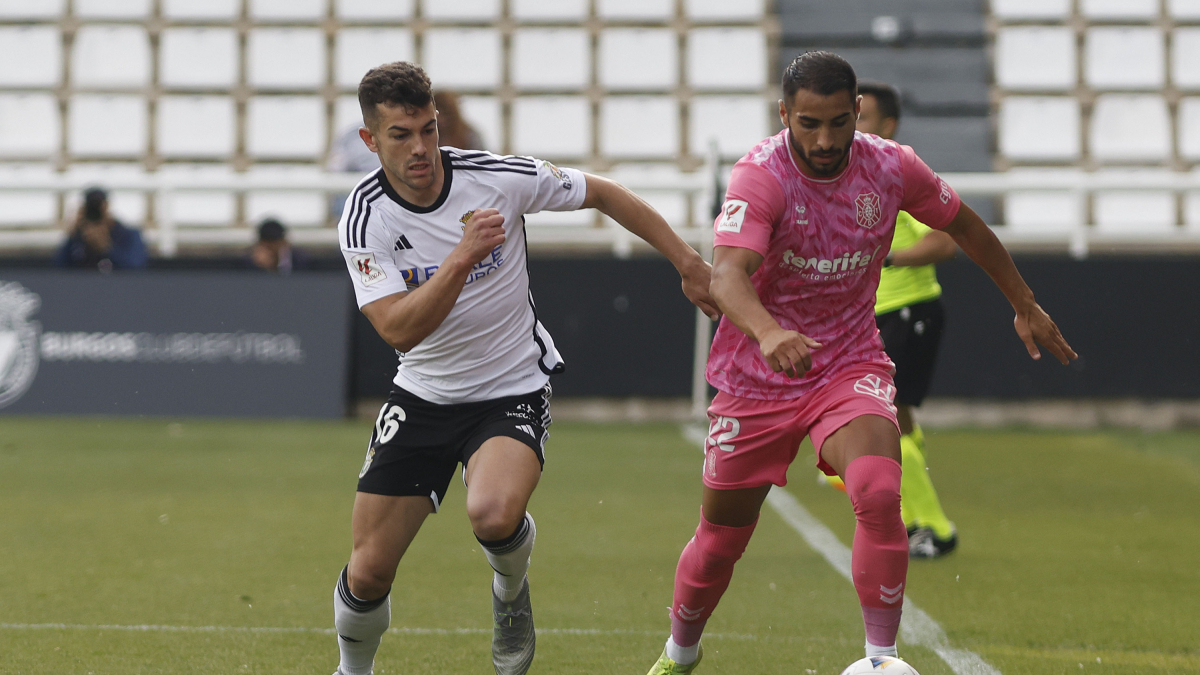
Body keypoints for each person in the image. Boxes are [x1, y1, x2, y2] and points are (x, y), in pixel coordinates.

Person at [646, 51, 1076, 674]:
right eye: (809, 124)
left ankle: (881, 660)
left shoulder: (892, 167)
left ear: (857, 115)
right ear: (784, 115)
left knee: (877, 491)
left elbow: (969, 228)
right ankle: (679, 653)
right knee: (720, 540)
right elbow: (727, 276)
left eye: (840, 123)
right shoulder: (759, 176)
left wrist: (1025, 303)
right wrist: (768, 333)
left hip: (848, 362)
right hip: (755, 378)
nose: (825, 140)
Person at [332, 61, 719, 675]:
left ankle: (510, 592)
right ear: (369, 140)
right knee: (370, 568)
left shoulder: (495, 177)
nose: (421, 148)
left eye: (428, 130)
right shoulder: (364, 213)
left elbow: (602, 191)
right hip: (425, 391)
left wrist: (688, 262)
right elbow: (398, 329)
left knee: (493, 513)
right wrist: (462, 258)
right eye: (401, 134)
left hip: (509, 386)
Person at [818, 81, 960, 559]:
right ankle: (909, 516)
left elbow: (945, 241)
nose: (852, 127)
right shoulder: (856, 176)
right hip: (878, 317)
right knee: (897, 422)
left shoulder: (896, 173)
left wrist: (890, 258)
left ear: (888, 125)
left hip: (908, 311)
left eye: (861, 117)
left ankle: (932, 527)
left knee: (889, 421)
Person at [54, 187, 147, 271]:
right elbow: (58, 268)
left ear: (106, 207)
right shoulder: (78, 236)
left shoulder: (128, 234)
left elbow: (136, 266)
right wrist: (72, 236)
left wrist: (107, 248)